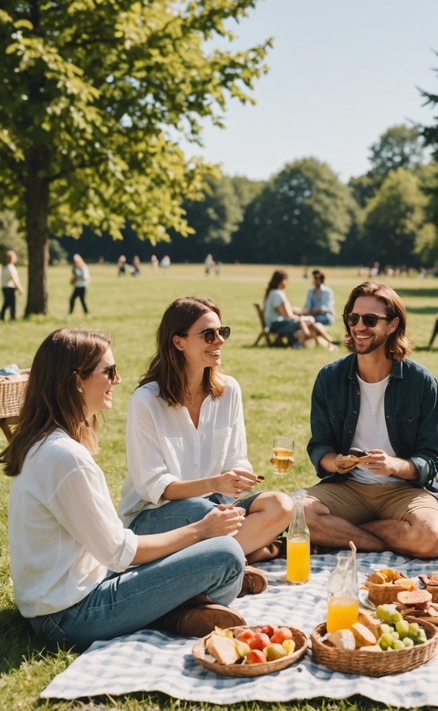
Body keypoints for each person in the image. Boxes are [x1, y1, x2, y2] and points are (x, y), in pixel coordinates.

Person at [1, 328, 256, 650]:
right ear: (77, 379)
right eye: (108, 371)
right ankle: (175, 613)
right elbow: (120, 553)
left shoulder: (48, 444)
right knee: (227, 555)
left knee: (201, 526)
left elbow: (110, 550)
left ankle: (177, 610)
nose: (117, 379)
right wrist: (201, 531)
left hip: (71, 593)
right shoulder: (65, 458)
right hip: (70, 616)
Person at [119, 296, 293, 576]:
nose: (220, 340)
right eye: (208, 334)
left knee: (282, 506)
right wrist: (215, 482)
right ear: (179, 342)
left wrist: (237, 478)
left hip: (216, 508)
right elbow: (156, 487)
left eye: (222, 332)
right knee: (208, 513)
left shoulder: (229, 391)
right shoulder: (147, 401)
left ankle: (219, 563)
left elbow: (237, 459)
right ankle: (242, 556)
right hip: (151, 517)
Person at [302, 280, 438, 558]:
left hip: (403, 490)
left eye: (369, 320)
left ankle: (342, 534)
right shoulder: (329, 378)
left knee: (431, 536)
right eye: (352, 318)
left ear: (392, 325)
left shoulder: (421, 382)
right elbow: (319, 445)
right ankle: (382, 539)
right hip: (348, 487)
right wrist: (336, 462)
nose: (358, 327)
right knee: (295, 513)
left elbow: (431, 456)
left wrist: (395, 466)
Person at [263, 269, 337, 350]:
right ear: (282, 280)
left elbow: (284, 312)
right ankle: (327, 343)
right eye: (286, 280)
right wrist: (301, 319)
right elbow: (287, 315)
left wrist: (299, 314)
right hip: (276, 325)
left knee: (313, 323)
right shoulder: (278, 294)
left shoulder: (273, 292)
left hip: (276, 324)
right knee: (311, 321)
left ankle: (328, 344)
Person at [1, 250, 24, 321]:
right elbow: (14, 279)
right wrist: (20, 288)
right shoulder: (10, 268)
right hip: (9, 288)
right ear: (12, 258)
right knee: (11, 303)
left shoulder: (5, 267)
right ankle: (12, 318)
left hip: (5, 288)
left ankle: (2, 316)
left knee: (7, 303)